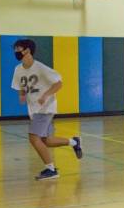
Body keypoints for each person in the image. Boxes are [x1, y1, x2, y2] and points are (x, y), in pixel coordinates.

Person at [11, 39, 83, 180]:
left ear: (27, 50)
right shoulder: (18, 69)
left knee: (33, 138)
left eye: (18, 48)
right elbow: (20, 86)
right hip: (34, 109)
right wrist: (22, 95)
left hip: (45, 107)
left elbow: (58, 84)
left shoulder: (41, 68)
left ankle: (51, 169)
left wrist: (45, 95)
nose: (16, 52)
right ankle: (74, 142)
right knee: (46, 141)